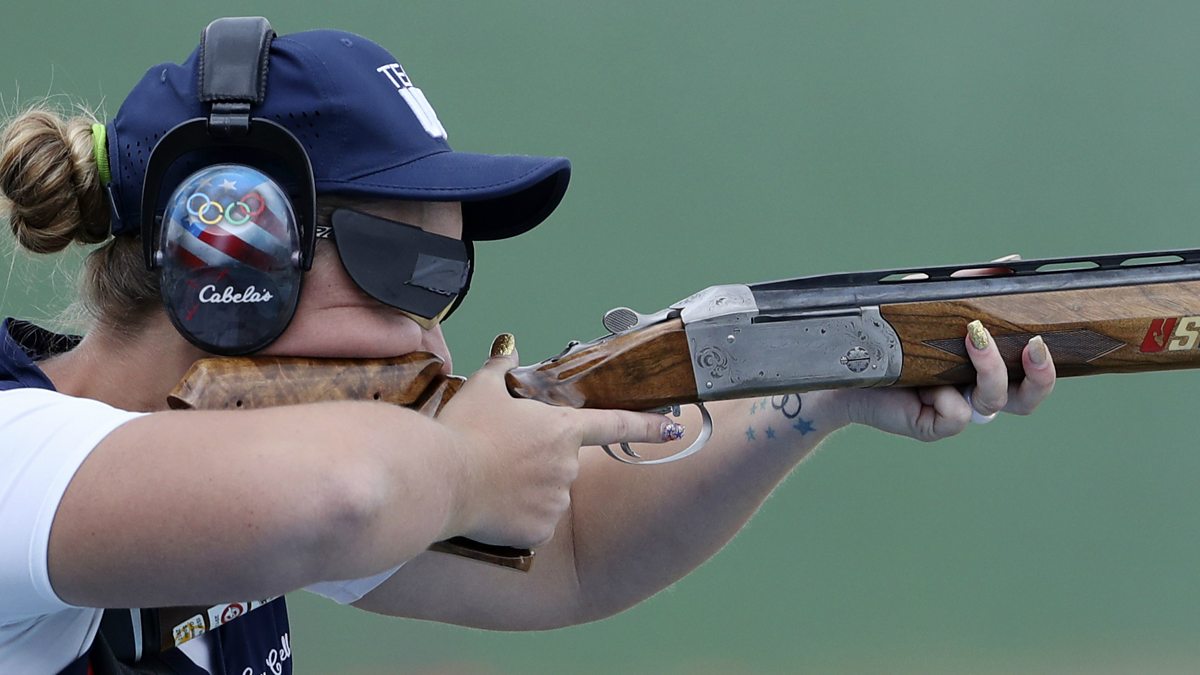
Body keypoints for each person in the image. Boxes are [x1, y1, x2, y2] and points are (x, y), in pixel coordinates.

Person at [0, 18, 1056, 675]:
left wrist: (823, 383)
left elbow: (576, 557)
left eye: (448, 280)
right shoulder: (19, 454)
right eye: (402, 267)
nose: (428, 330)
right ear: (231, 244)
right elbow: (346, 497)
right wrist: (468, 463)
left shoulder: (250, 480)